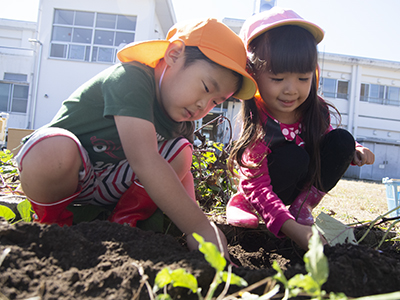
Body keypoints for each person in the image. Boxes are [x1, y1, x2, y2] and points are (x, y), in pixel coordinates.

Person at [14, 18, 257, 256]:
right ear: (174, 55)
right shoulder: (132, 78)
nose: (204, 105)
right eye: (205, 88)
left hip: (112, 183)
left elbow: (183, 179)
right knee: (52, 151)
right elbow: (144, 159)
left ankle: (122, 223)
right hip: (71, 175)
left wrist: (197, 226)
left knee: (182, 151)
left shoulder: (181, 120)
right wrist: (199, 228)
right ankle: (53, 227)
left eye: (216, 102)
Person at [226, 7, 375, 250]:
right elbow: (258, 184)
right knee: (292, 157)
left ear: (313, 75)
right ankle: (245, 204)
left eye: (302, 79)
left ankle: (301, 206)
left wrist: (354, 150)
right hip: (260, 191)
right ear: (253, 74)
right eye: (277, 79)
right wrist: (294, 231)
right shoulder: (259, 123)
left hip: (294, 189)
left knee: (342, 141)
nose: (291, 90)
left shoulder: (313, 111)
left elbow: (323, 138)